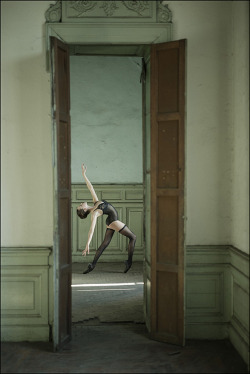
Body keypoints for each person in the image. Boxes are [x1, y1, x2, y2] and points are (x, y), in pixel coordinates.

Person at [77, 164, 136, 274]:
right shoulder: (94, 213)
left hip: (111, 220)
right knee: (133, 237)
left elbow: (90, 187)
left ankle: (92, 265)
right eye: (80, 206)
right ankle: (129, 262)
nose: (81, 203)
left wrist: (84, 175)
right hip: (113, 221)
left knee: (104, 244)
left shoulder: (95, 203)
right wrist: (87, 244)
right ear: (84, 210)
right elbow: (91, 230)